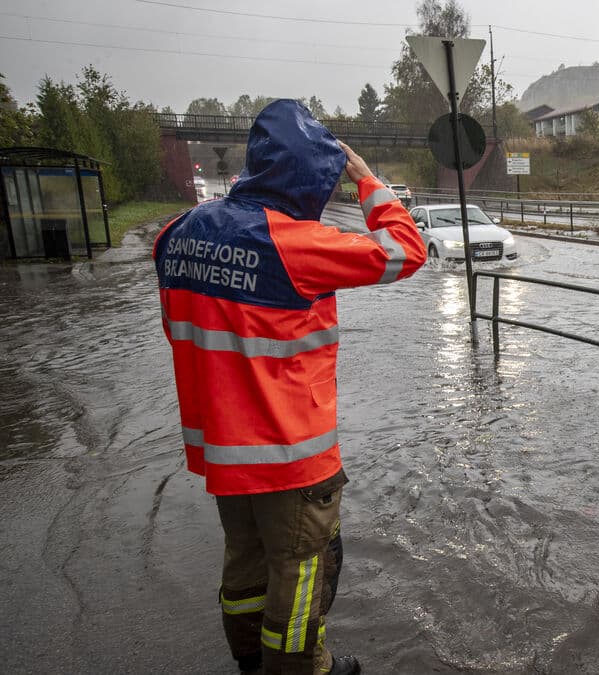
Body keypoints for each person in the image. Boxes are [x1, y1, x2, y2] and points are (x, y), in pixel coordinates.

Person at [152, 99, 427, 675]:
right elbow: (407, 250)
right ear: (307, 178)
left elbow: (183, 328)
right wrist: (365, 178)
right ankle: (302, 667)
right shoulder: (297, 244)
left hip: (222, 451)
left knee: (245, 559)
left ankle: (249, 658)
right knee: (302, 569)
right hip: (291, 454)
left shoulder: (177, 234)